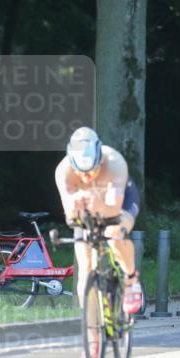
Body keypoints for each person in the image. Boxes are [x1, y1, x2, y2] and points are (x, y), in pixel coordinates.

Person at [55, 126, 143, 314]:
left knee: (114, 233)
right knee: (85, 266)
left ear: (100, 160)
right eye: (82, 173)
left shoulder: (114, 162)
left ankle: (131, 279)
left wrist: (99, 205)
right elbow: (70, 216)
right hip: (87, 209)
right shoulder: (63, 171)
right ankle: (90, 324)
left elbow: (113, 210)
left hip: (120, 201)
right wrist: (74, 208)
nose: (87, 177)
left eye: (92, 171)